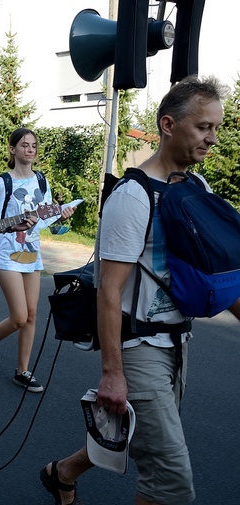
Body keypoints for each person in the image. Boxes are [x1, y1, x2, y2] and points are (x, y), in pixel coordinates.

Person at [42, 75, 240, 505]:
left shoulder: (197, 188)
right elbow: (107, 292)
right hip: (139, 347)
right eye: (204, 127)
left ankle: (63, 472)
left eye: (217, 128)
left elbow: (217, 273)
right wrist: (112, 373)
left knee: (143, 431)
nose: (212, 139)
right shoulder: (132, 196)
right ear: (169, 125)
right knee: (170, 480)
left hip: (178, 341)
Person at [0, 128, 76, 393]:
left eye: (33, 146)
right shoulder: (3, 184)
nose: (30, 150)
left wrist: (61, 215)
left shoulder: (41, 180)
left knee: (31, 315)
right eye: (24, 145)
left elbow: (46, 217)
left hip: (32, 252)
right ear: (12, 149)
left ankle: (22, 371)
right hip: (6, 254)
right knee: (19, 316)